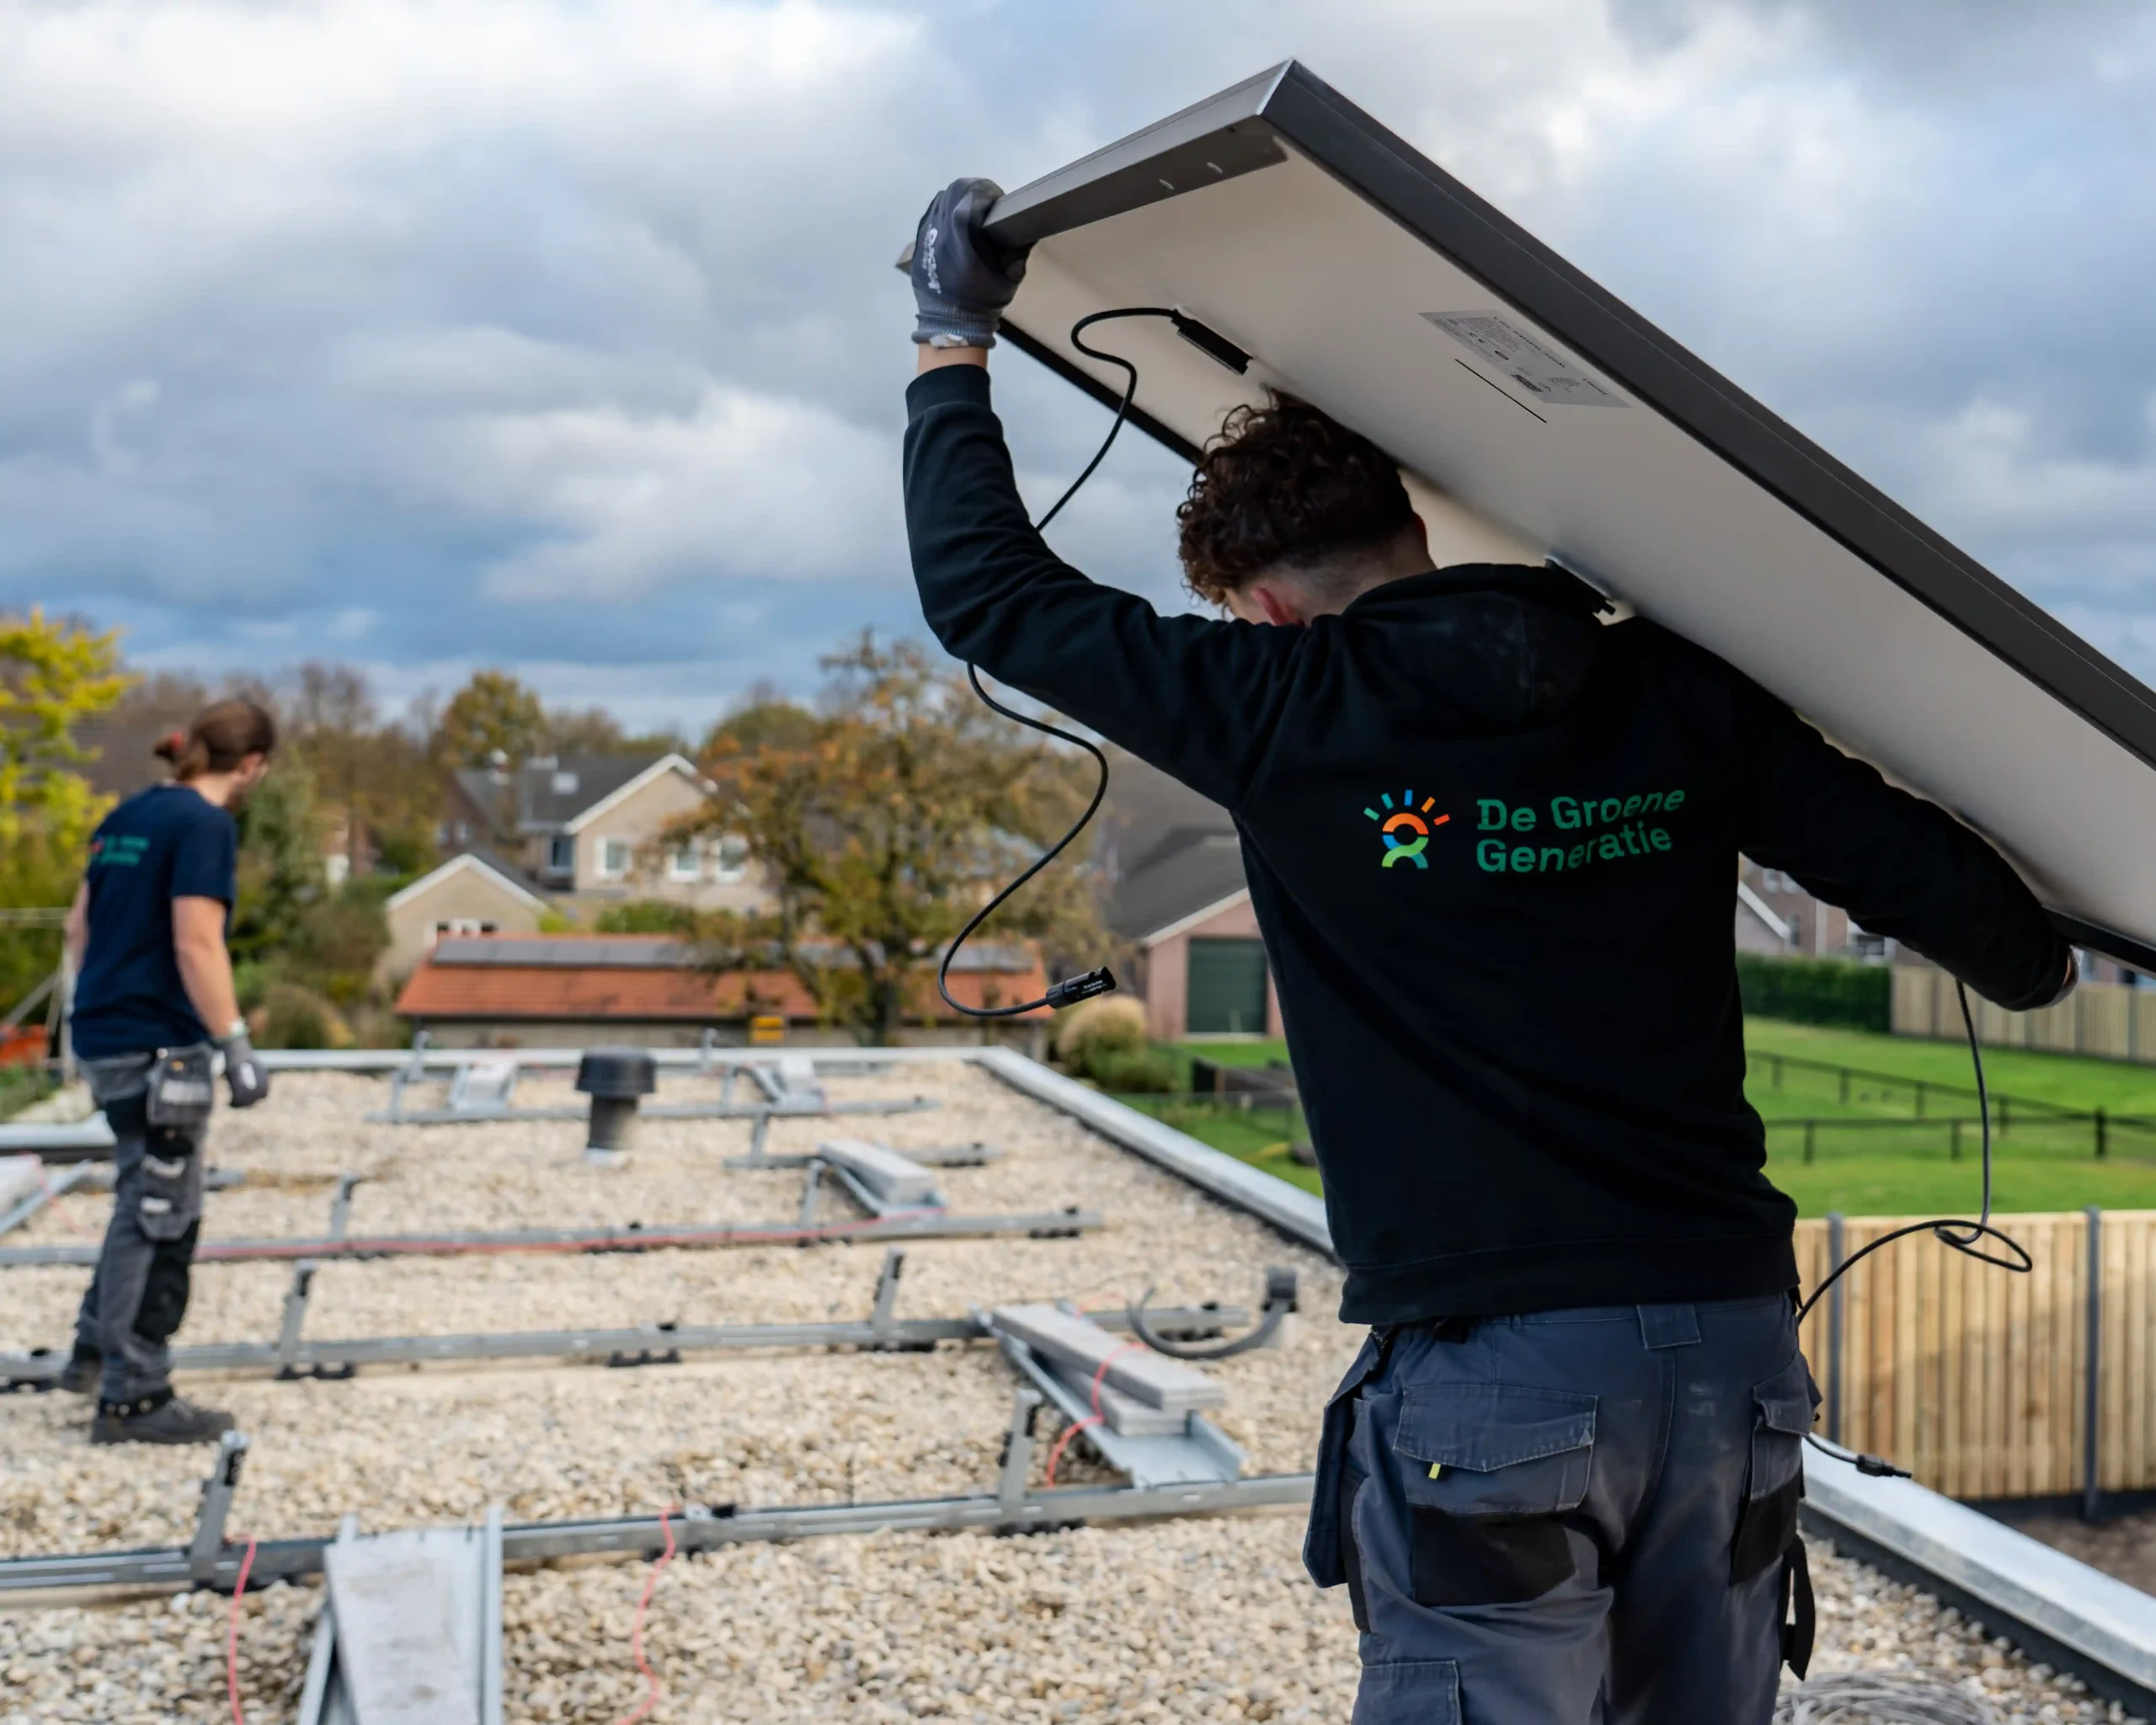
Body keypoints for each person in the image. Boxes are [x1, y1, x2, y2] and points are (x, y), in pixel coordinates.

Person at [899, 180, 2077, 1722]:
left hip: (1502, 1375)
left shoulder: (1285, 709)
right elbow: (1949, 899)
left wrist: (951, 338)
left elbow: (992, 594)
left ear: (1270, 609)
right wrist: (2047, 940)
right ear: (1411, 530)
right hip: (1725, 1354)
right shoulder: (1675, 686)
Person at [59, 700, 275, 1445]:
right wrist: (235, 1044)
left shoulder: (128, 814)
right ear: (252, 765)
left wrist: (98, 1009)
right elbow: (197, 943)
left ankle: (93, 1351)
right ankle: (135, 1395)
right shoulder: (204, 825)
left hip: (103, 1029)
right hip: (157, 1043)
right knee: (162, 1212)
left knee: (137, 1193)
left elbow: (79, 929)